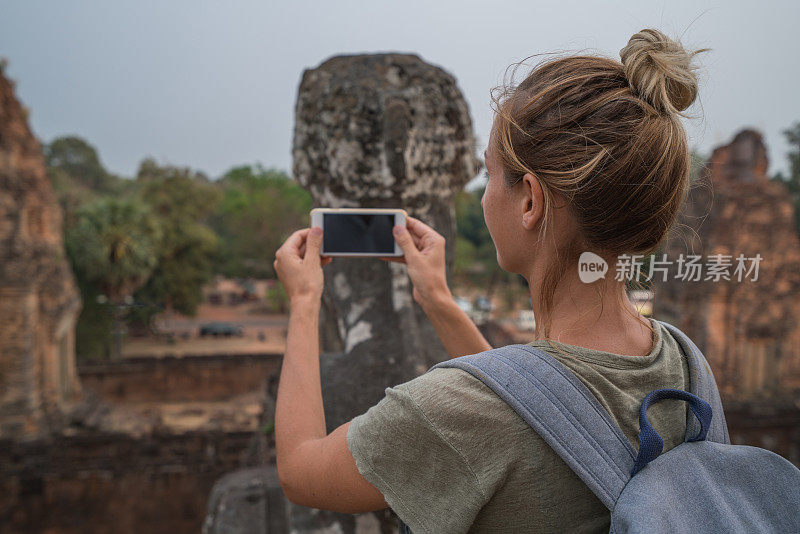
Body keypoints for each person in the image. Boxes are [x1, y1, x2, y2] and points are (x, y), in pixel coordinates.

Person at [273, 28, 711, 533]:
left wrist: (304, 300)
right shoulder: (686, 366)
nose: (482, 199)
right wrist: (437, 299)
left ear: (530, 201)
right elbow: (536, 396)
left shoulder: (454, 411)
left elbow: (301, 471)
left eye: (488, 175)